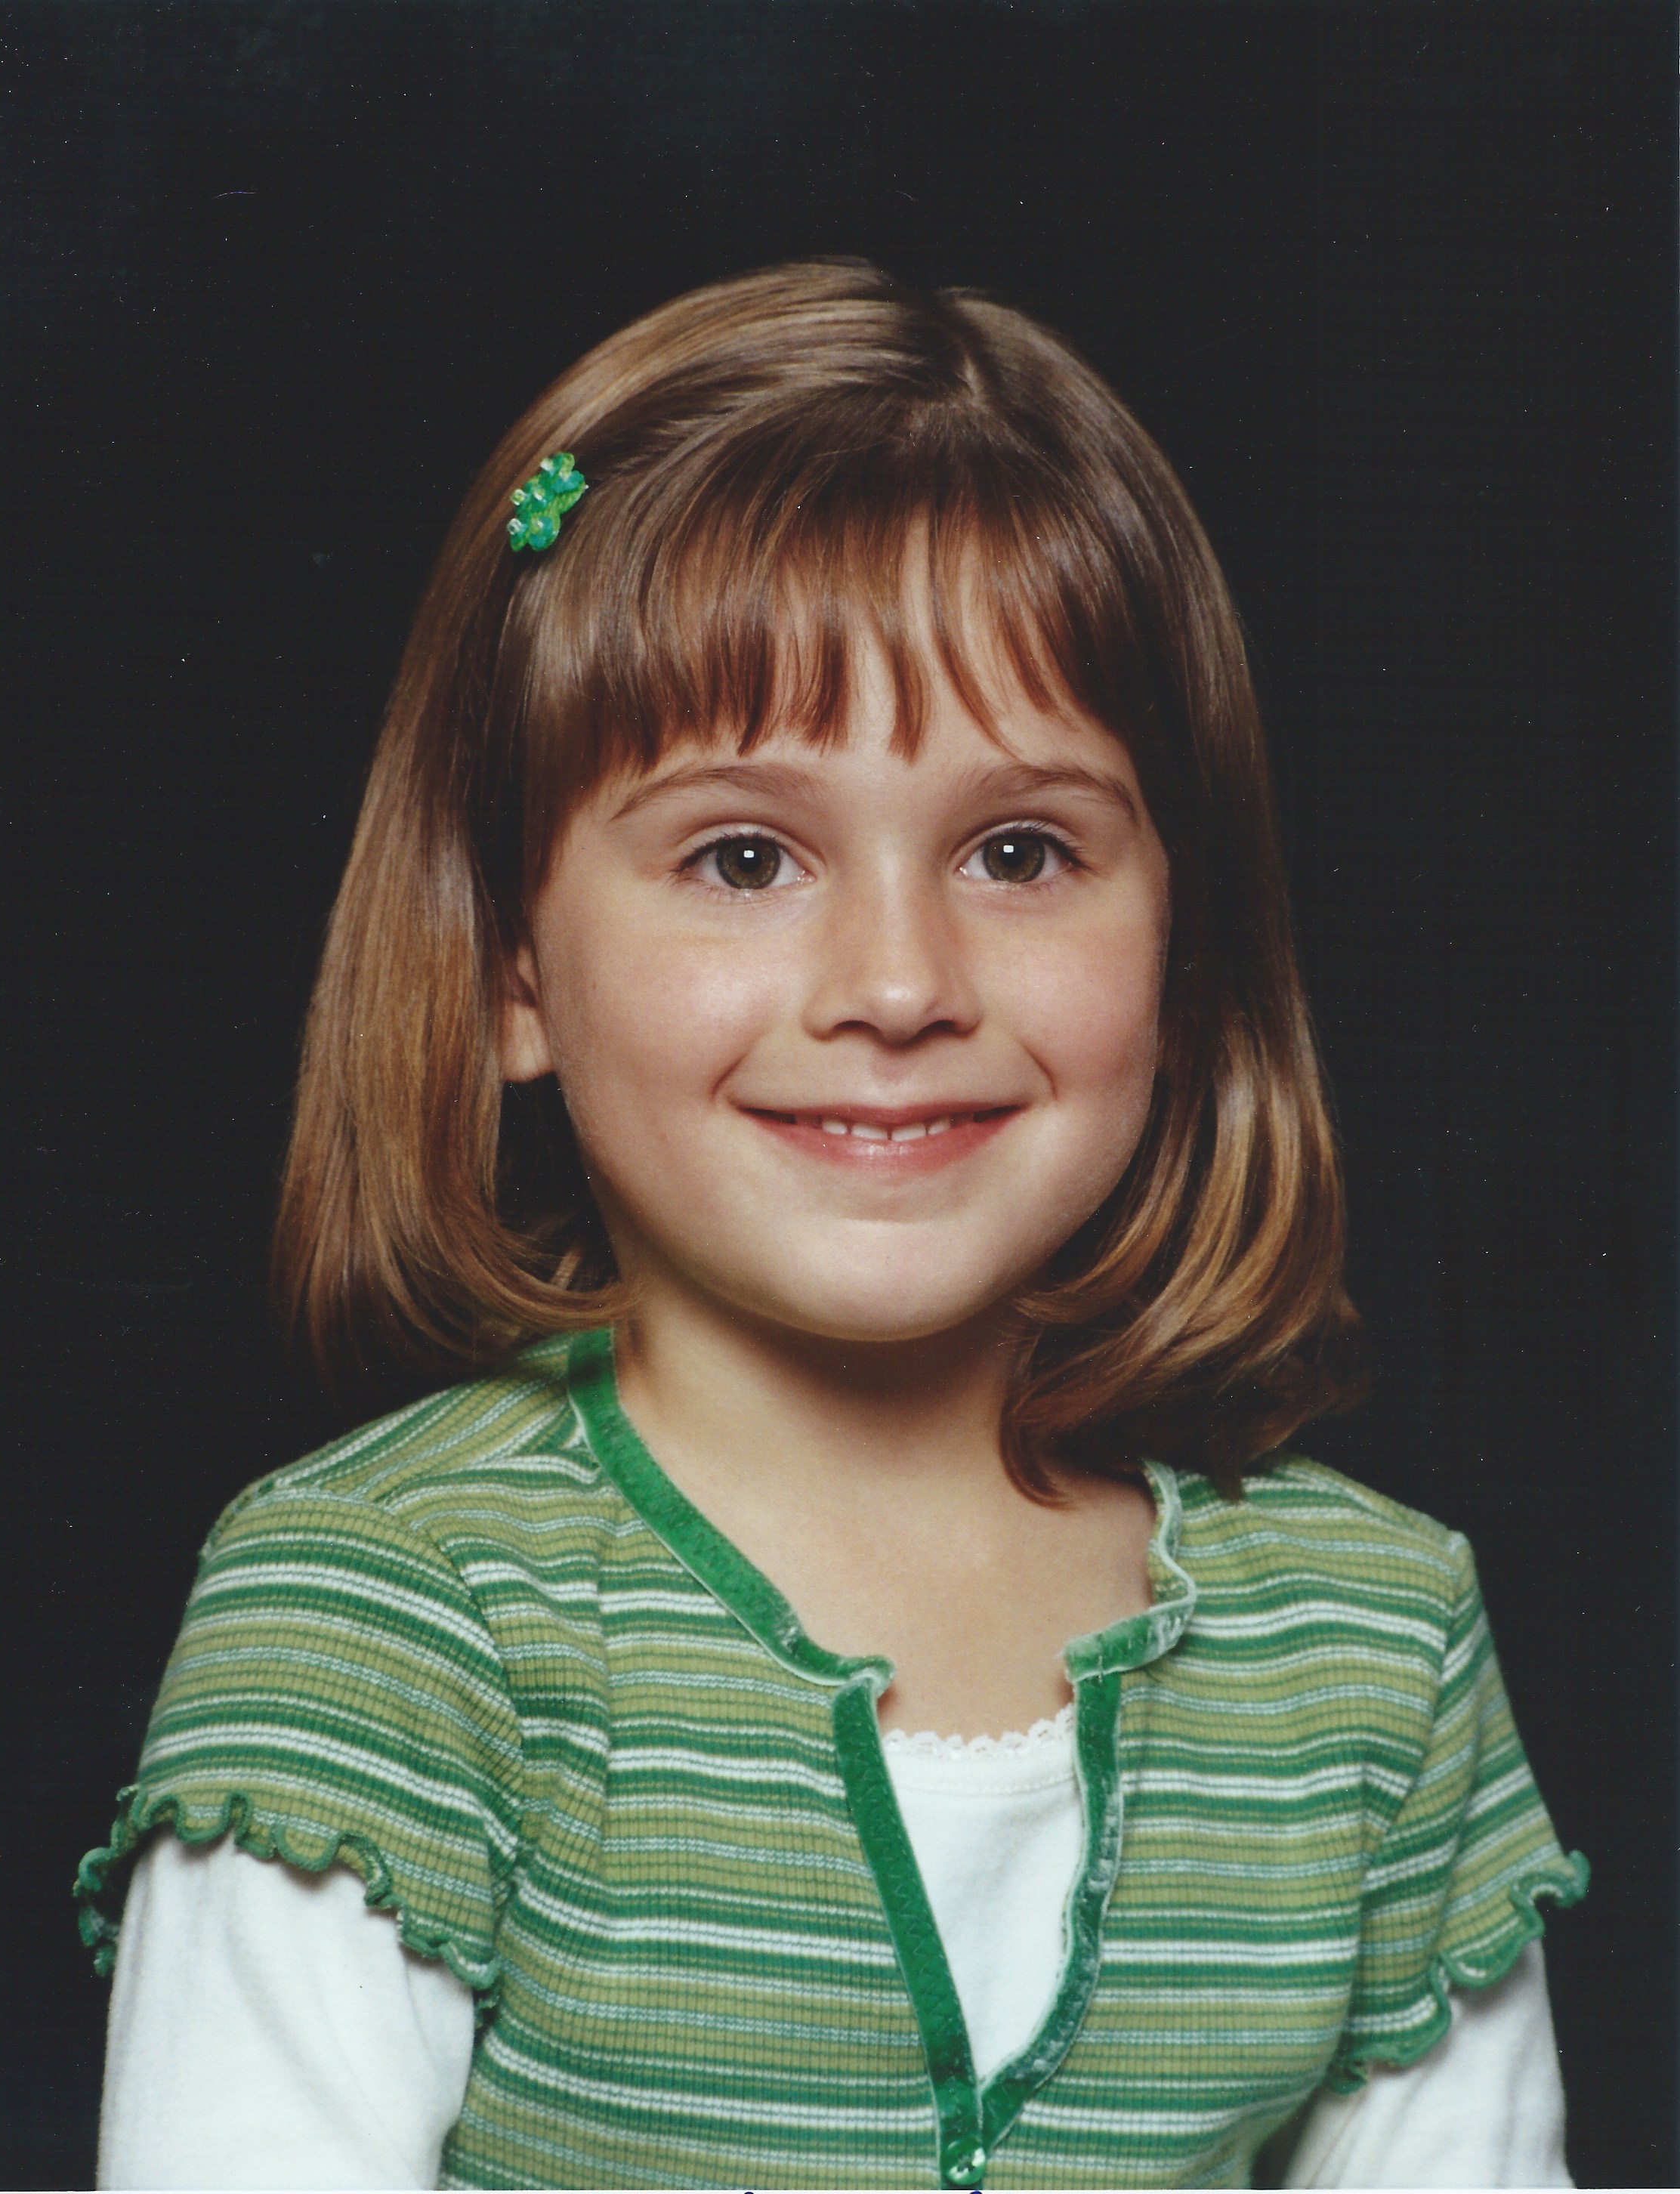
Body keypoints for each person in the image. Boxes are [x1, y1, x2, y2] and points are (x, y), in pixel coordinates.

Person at [76, 260, 1586, 2191]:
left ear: (1183, 948)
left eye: (1020, 851)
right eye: (744, 856)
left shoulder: (1375, 1648)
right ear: (512, 968)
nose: (897, 984)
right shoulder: (388, 1621)